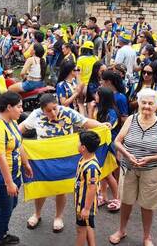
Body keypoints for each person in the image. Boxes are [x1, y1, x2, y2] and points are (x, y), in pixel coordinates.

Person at [20, 94, 110, 233]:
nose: (53, 113)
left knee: (60, 187)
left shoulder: (67, 112)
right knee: (41, 186)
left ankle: (58, 217)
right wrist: (10, 134)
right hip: (42, 158)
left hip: (63, 157)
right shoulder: (36, 115)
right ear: (42, 110)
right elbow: (20, 128)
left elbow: (85, 122)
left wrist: (101, 125)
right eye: (49, 111)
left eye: (55, 108)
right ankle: (37, 214)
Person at [109, 88, 157, 246]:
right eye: (143, 103)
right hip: (129, 167)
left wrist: (151, 158)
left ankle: (147, 237)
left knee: (147, 205)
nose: (146, 106)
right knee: (126, 201)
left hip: (152, 170)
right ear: (138, 103)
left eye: (150, 103)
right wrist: (127, 154)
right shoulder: (131, 119)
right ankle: (121, 230)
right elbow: (117, 141)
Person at [0, 91, 33, 246]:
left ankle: (1, 232)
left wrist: (26, 164)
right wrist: (9, 183)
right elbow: (0, 157)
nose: (21, 110)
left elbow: (19, 144)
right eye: (19, 107)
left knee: (11, 205)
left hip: (14, 174)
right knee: (4, 209)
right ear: (8, 107)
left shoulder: (11, 122)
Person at [75, 131, 102, 246]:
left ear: (83, 147)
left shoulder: (91, 168)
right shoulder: (83, 158)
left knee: (81, 229)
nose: (76, 144)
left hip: (85, 204)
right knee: (87, 225)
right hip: (81, 202)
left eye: (78, 142)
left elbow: (92, 188)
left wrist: (86, 209)